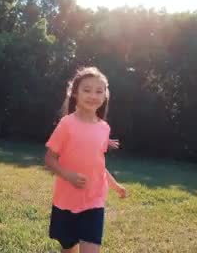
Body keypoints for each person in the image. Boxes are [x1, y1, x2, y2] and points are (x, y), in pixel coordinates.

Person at [44, 66, 128, 253]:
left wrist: (115, 186)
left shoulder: (104, 127)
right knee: (68, 249)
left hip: (94, 201)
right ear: (75, 93)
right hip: (66, 201)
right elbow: (49, 159)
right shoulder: (67, 124)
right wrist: (69, 176)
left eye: (99, 91)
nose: (93, 95)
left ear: (105, 96)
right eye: (87, 89)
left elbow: (98, 165)